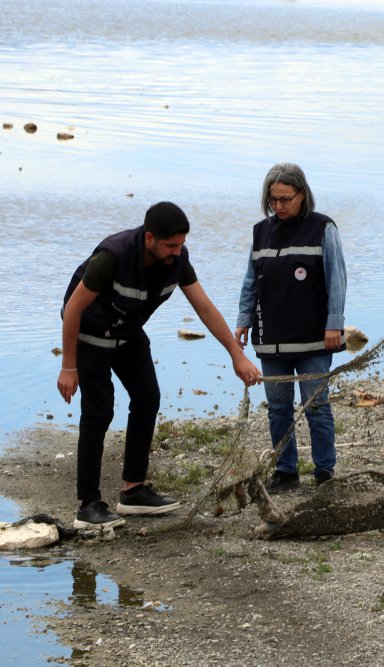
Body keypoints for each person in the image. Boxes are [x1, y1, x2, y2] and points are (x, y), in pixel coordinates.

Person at [58, 202, 261, 530]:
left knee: (148, 397)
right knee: (99, 413)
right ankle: (88, 506)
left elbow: (205, 308)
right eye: (171, 245)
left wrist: (236, 355)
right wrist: (69, 367)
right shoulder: (113, 257)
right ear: (149, 238)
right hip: (89, 338)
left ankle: (133, 491)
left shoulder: (178, 260)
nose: (177, 251)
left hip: (127, 335)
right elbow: (72, 310)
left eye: (181, 244)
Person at [234, 163, 347, 493]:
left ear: (302, 195)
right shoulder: (261, 232)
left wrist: (334, 325)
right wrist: (243, 319)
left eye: (286, 199)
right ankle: (286, 470)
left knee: (316, 407)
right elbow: (250, 281)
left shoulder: (323, 228)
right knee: (279, 409)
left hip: (314, 338)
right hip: (272, 340)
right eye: (274, 200)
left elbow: (337, 279)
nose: (279, 206)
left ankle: (325, 471)